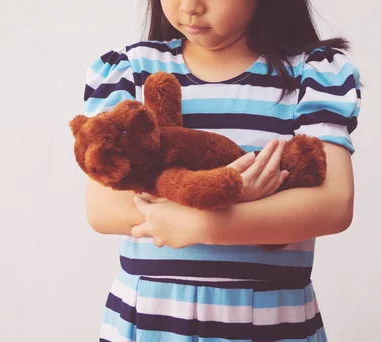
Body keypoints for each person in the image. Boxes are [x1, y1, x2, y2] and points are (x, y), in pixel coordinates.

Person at [82, 0, 361, 340]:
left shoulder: (313, 73)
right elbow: (103, 207)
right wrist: (230, 195)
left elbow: (333, 205)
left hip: (270, 323)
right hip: (153, 322)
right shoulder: (131, 70)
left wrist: (204, 225)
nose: (189, 7)